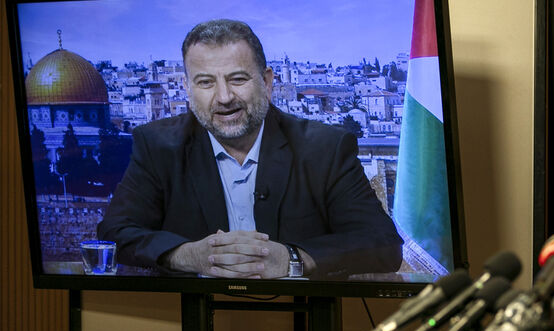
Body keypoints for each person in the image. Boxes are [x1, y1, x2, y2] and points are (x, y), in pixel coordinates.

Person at [97, 19, 403, 280]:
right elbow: (114, 234)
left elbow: (382, 245)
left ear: (267, 82)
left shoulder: (325, 148)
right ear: (188, 91)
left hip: (306, 320)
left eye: (238, 79)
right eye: (205, 83)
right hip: (187, 319)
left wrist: (292, 260)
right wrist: (187, 255)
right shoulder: (158, 146)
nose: (225, 97)